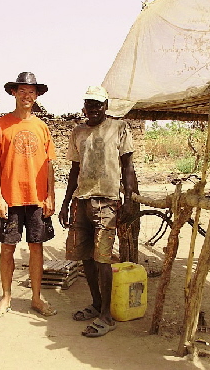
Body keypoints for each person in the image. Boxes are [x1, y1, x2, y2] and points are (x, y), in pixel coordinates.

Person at [59, 85, 135, 337]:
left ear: (105, 106)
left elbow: (128, 168)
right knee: (86, 258)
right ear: (84, 107)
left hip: (108, 203)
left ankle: (107, 315)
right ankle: (95, 303)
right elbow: (74, 171)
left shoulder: (119, 128)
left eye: (98, 104)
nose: (93, 108)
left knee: (103, 260)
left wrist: (130, 200)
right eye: (89, 104)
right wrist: (65, 202)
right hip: (82, 202)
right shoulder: (78, 132)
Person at [0, 71, 57, 318]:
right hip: (10, 199)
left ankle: (36, 298)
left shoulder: (42, 127)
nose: (26, 95)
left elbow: (49, 165)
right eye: (22, 90)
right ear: (14, 93)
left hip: (37, 199)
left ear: (36, 96)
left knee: (36, 248)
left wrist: (51, 196)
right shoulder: (0, 125)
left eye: (31, 91)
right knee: (6, 249)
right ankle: (5, 298)